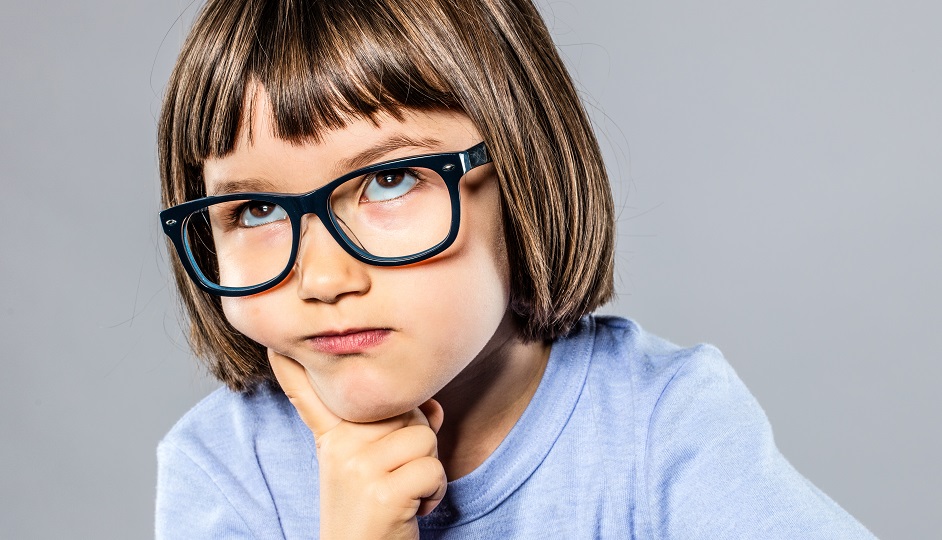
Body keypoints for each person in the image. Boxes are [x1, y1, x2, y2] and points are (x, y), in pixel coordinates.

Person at [154, 0, 877, 538]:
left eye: (389, 181)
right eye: (253, 211)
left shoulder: (666, 426)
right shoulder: (225, 469)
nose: (321, 278)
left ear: (522, 174)